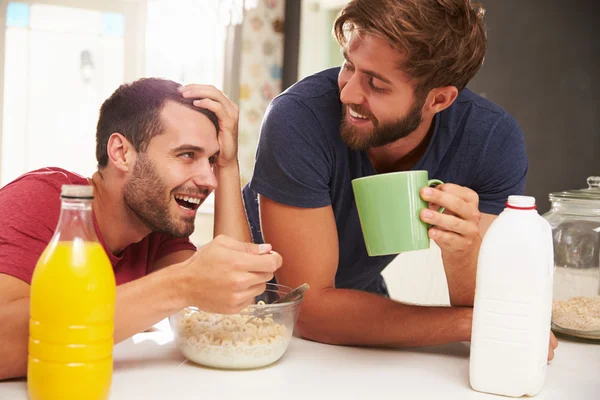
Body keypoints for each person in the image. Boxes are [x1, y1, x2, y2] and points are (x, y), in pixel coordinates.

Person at [243, 0, 558, 358]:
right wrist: (466, 325)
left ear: (439, 99)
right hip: (249, 312)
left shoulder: (491, 142)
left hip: (356, 307)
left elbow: (484, 302)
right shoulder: (298, 118)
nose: (346, 93)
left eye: (376, 84)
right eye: (348, 65)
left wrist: (463, 253)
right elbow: (307, 310)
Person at [0, 78, 282, 380]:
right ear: (122, 152)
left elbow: (231, 310)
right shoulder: (45, 201)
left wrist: (228, 165)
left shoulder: (157, 227)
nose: (208, 180)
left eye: (211, 159)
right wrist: (181, 284)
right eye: (187, 155)